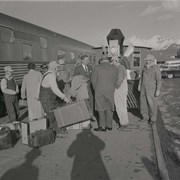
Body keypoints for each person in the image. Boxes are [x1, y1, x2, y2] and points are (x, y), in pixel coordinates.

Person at [38, 61, 71, 134]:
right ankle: (59, 131)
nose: (58, 69)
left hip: (48, 98)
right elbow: (55, 89)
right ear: (54, 68)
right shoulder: (50, 76)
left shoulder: (48, 74)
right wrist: (64, 97)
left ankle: (57, 129)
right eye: (57, 67)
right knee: (53, 114)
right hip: (47, 99)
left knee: (54, 113)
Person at [91, 55, 118, 131]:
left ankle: (102, 126)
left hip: (99, 90)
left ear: (101, 61)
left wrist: (96, 89)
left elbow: (93, 81)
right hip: (110, 91)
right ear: (108, 61)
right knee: (109, 108)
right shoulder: (114, 68)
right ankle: (109, 126)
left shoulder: (97, 68)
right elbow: (116, 80)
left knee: (100, 108)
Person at [138, 54, 161, 124]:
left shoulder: (156, 69)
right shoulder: (144, 68)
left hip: (152, 89)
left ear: (151, 60)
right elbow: (141, 78)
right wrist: (139, 85)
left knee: (152, 104)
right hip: (143, 88)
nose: (146, 61)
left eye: (147, 60)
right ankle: (145, 117)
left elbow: (159, 80)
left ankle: (153, 119)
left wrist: (158, 90)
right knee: (143, 103)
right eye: (146, 60)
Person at [73, 55, 95, 121]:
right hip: (82, 88)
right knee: (84, 102)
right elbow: (75, 78)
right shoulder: (78, 68)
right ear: (82, 60)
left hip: (90, 87)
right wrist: (82, 80)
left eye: (88, 60)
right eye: (86, 60)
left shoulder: (90, 67)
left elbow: (93, 76)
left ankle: (91, 115)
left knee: (91, 101)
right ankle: (85, 116)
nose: (88, 61)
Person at [112, 56, 129, 128]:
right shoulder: (120, 67)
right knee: (122, 105)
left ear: (116, 61)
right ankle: (123, 121)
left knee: (120, 106)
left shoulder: (119, 68)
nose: (111, 63)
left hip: (119, 89)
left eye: (112, 61)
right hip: (121, 88)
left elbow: (120, 79)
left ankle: (123, 123)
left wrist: (115, 87)